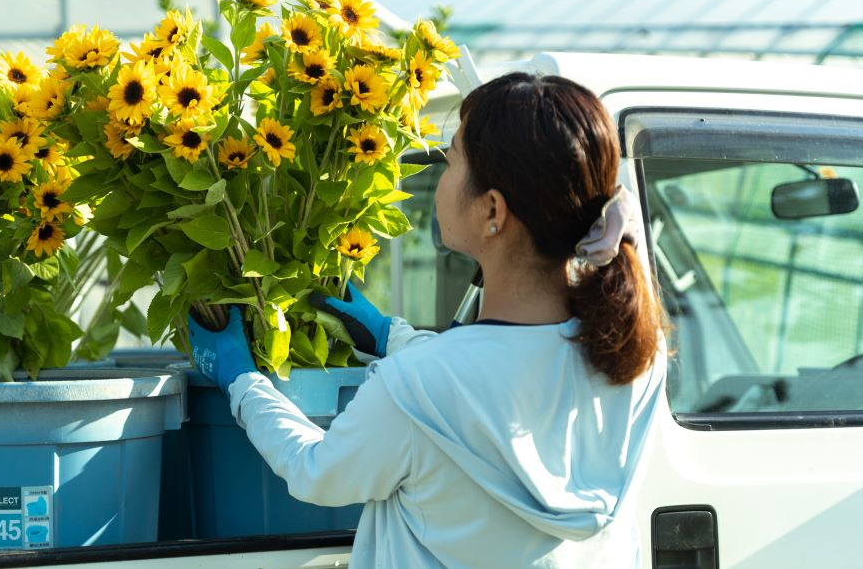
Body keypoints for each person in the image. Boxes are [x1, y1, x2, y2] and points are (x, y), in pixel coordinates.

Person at [189, 72, 667, 568]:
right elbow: (498, 381)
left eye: (451, 160)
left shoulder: (414, 388)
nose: (439, 177)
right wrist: (389, 336)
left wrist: (242, 382)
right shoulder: (633, 355)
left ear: (493, 211)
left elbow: (317, 471)